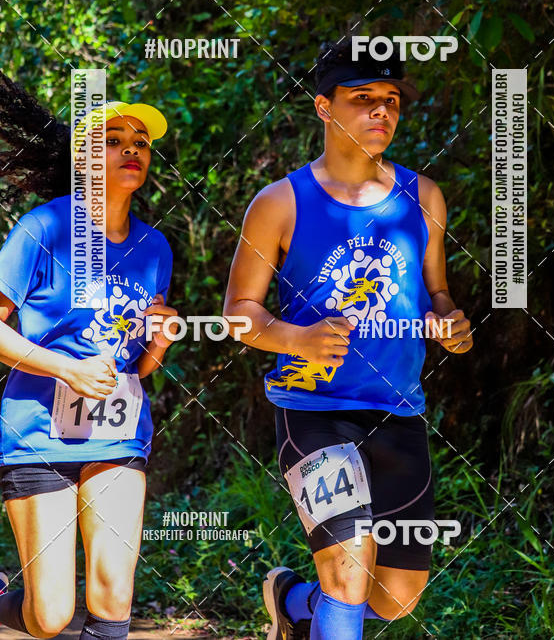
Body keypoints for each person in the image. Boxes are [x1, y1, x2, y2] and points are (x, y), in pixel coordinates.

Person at [223, 39, 473, 639]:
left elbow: (437, 293)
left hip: (397, 409)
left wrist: (449, 322)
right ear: (324, 107)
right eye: (363, 99)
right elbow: (238, 312)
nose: (381, 111)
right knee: (348, 574)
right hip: (315, 409)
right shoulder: (280, 202)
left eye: (390, 100)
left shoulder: (424, 197)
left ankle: (294, 603)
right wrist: (298, 339)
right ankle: (324, 603)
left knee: (395, 598)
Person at [0, 74, 177, 640]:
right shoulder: (43, 229)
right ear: (85, 159)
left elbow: (141, 367)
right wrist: (65, 367)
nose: (132, 150)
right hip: (35, 433)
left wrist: (160, 341)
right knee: (49, 617)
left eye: (141, 143)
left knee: (111, 598)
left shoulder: (155, 248)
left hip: (117, 435)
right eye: (114, 140)